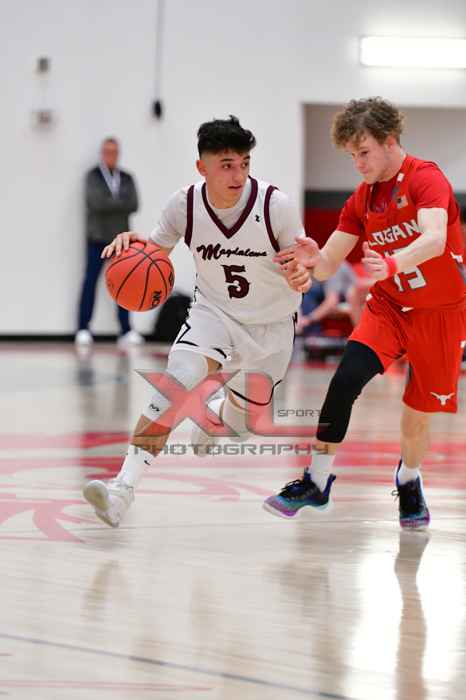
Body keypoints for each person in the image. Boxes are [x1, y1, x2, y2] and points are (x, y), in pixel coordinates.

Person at [82, 116, 308, 527]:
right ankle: (121, 490)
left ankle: (217, 412)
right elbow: (154, 252)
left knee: (245, 425)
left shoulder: (276, 206)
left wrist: (302, 274)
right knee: (176, 382)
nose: (238, 174)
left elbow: (304, 264)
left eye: (244, 163)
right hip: (214, 314)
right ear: (202, 167)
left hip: (272, 325)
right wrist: (131, 245)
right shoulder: (183, 205)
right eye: (226, 165)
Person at [264, 97, 466, 529]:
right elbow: (327, 265)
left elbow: (434, 239)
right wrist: (314, 258)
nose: (357, 164)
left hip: (441, 314)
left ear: (390, 141)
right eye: (351, 156)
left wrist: (392, 263)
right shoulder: (362, 198)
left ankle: (408, 479)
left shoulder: (426, 178)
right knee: (345, 381)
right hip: (390, 308)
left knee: (417, 416)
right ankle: (317, 481)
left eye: (363, 152)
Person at [75, 137, 143, 347]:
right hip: (97, 238)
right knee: (90, 282)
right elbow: (95, 203)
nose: (110, 155)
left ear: (118, 154)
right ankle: (83, 328)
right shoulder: (93, 176)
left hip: (120, 240)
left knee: (124, 284)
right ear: (102, 154)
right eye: (107, 152)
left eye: (114, 152)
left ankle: (126, 330)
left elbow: (134, 203)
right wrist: (118, 202)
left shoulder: (127, 178)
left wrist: (111, 202)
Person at [297, 261, 356, 335]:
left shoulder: (333, 266)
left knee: (307, 297)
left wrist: (308, 319)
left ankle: (311, 337)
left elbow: (332, 301)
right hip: (324, 298)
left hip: (348, 300)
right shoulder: (314, 267)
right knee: (306, 294)